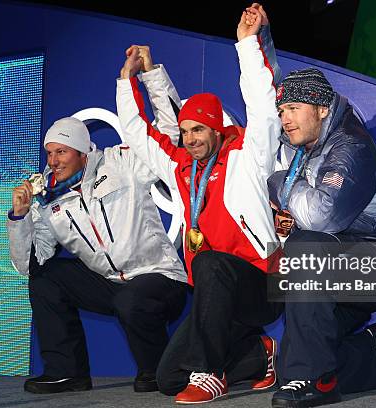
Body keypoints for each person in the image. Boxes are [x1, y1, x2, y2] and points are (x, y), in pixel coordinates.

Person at [116, 4, 284, 404]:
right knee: (169, 377)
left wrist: (246, 43)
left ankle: (210, 373)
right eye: (186, 131)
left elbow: (262, 106)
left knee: (209, 261)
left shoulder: (248, 154)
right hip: (214, 299)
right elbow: (139, 135)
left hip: (260, 286)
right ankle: (260, 357)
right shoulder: (182, 168)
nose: (190, 138)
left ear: (217, 128)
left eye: (199, 130)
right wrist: (128, 81)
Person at [7, 116, 188, 394]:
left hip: (159, 275)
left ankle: (157, 369)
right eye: (50, 153)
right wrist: (19, 219)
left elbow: (166, 136)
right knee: (46, 279)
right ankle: (67, 373)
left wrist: (149, 77)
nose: (53, 161)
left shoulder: (120, 163)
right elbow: (29, 264)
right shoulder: (48, 201)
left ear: (82, 152)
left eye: (62, 151)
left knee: (132, 299)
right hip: (111, 283)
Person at [266, 67, 376, 407]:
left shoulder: (350, 146)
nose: (286, 119)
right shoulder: (307, 147)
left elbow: (323, 215)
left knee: (306, 247)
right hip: (342, 265)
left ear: (322, 109)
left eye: (294, 108)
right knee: (292, 362)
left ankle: (316, 381)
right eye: (282, 111)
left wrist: (280, 184)